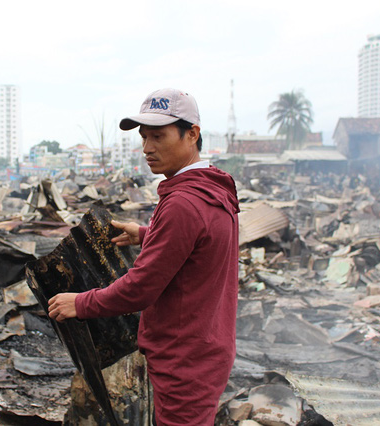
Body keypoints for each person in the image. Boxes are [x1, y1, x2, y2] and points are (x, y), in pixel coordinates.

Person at [48, 88, 240, 425]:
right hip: (206, 347)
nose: (147, 148)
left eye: (158, 136)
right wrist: (146, 234)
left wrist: (79, 304)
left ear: (192, 133)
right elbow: (202, 244)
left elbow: (141, 288)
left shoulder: (183, 203)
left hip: (185, 358)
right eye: (143, 137)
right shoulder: (213, 189)